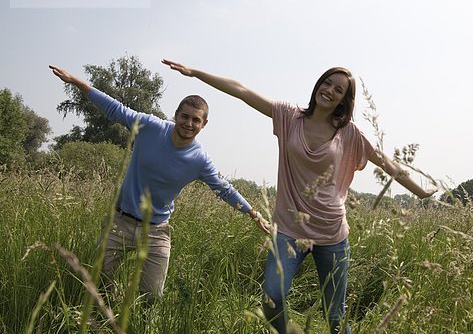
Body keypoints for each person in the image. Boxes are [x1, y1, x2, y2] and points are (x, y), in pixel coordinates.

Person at [161, 59, 436, 333]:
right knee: (272, 299)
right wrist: (196, 73)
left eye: (338, 90)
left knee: (335, 317)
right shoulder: (289, 117)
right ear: (319, 84)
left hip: (332, 234)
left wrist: (420, 191)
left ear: (344, 100)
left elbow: (385, 161)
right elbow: (242, 90)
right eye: (327, 82)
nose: (329, 90)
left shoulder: (348, 133)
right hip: (289, 230)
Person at [49, 65, 269, 303]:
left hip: (156, 232)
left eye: (196, 120)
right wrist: (78, 83)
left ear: (204, 124)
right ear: (176, 115)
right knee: (98, 288)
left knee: (152, 297)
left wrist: (253, 214)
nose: (188, 123)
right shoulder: (150, 127)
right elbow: (115, 109)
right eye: (184, 117)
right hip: (119, 223)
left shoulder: (200, 160)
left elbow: (224, 189)